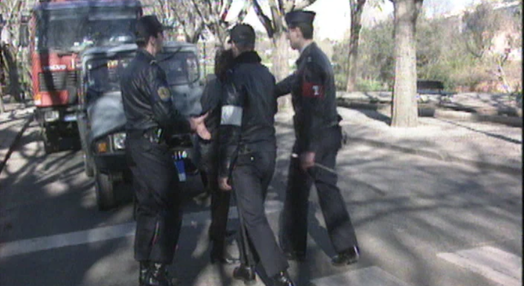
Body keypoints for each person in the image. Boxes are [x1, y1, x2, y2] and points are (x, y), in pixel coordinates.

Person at [121, 15, 209, 286]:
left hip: (136, 146)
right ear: (152, 38)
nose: (163, 40)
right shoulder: (151, 70)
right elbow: (165, 115)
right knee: (172, 205)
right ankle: (159, 269)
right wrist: (191, 125)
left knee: (147, 208)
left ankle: (144, 268)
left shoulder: (128, 69)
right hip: (152, 146)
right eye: (161, 35)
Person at [275, 10, 360, 267]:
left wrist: (310, 149)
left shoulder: (312, 63)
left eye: (289, 31)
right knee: (301, 191)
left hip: (317, 138)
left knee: (322, 190)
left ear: (297, 32)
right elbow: (292, 83)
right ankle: (297, 248)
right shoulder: (310, 60)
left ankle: (343, 248)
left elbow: (313, 107)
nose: (288, 36)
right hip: (318, 135)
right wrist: (267, 89)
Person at [218, 23, 295, 286]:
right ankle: (249, 265)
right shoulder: (266, 75)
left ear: (235, 45)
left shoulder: (233, 76)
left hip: (245, 155)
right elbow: (270, 110)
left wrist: (223, 168)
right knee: (250, 211)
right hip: (268, 151)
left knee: (252, 216)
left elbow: (230, 125)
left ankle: (279, 273)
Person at [197, 48, 238, 264]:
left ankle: (217, 234)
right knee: (222, 201)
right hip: (217, 149)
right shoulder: (224, 88)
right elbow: (228, 122)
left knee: (217, 199)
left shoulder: (211, 84)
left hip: (208, 148)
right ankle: (218, 250)